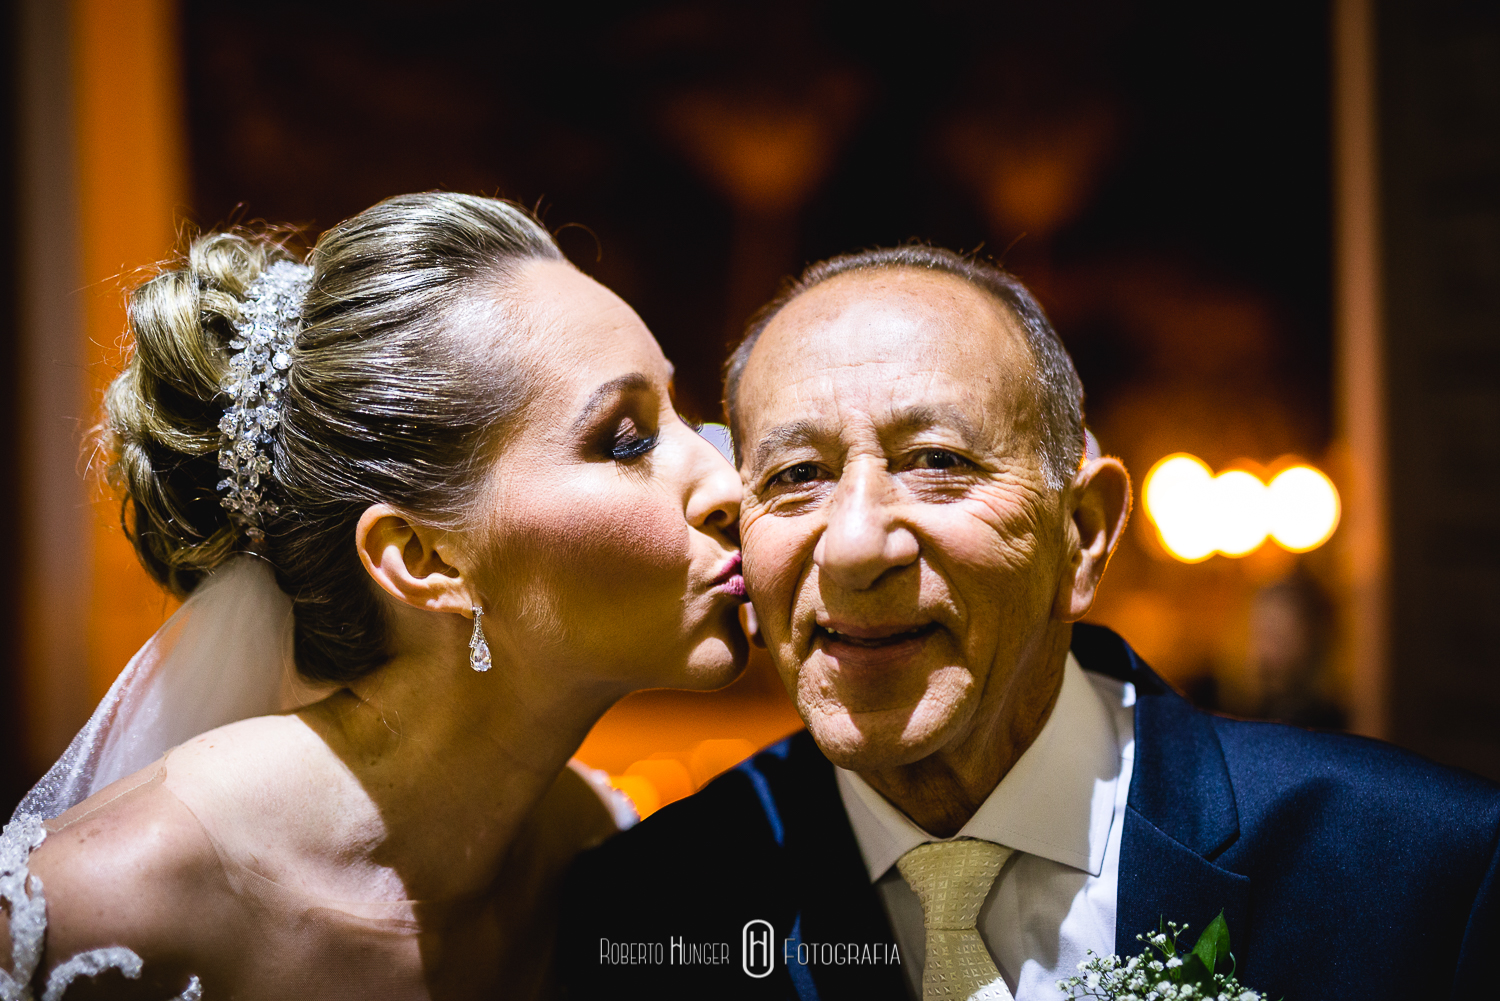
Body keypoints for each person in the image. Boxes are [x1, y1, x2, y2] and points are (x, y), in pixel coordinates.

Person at [557, 246, 1500, 1000]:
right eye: (797, 475)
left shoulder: (1419, 869)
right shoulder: (651, 910)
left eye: (936, 460)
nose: (854, 545)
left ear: (1081, 536)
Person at [0, 192, 748, 1000]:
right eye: (627, 441)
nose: (729, 481)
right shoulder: (108, 903)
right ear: (423, 558)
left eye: (683, 415)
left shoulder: (601, 851)